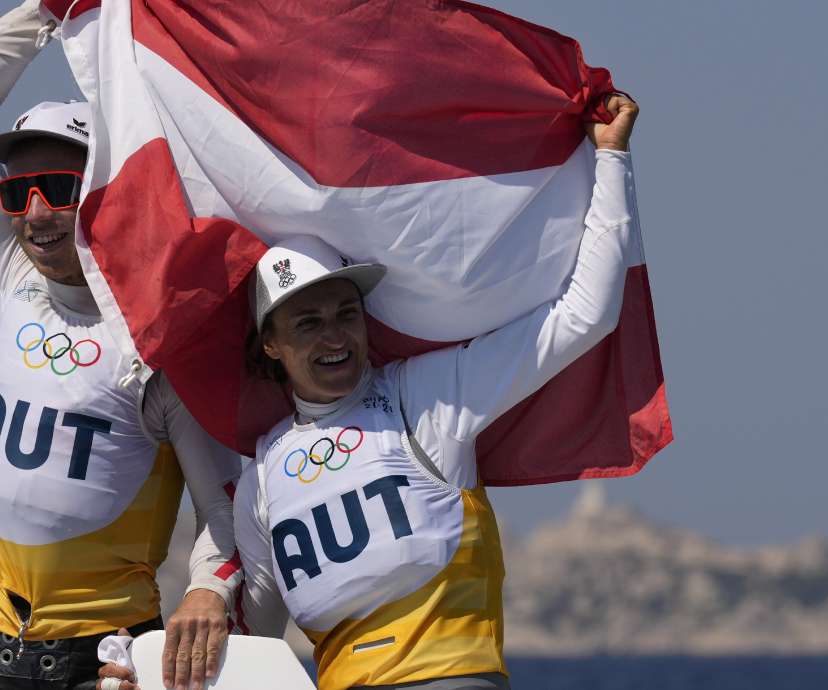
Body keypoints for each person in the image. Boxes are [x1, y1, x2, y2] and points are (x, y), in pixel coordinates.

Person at [97, 96, 639, 690]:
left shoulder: (430, 398)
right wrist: (150, 675)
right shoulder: (262, 474)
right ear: (270, 345)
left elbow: (586, 315)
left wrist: (611, 158)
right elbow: (244, 652)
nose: (334, 335)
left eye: (345, 313)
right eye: (307, 322)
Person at [0, 3, 244, 689]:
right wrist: (44, 12)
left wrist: (209, 591)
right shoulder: (4, 271)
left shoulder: (166, 339)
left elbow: (225, 507)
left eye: (58, 189)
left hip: (99, 664)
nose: (34, 214)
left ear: (106, 193)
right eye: (18, 190)